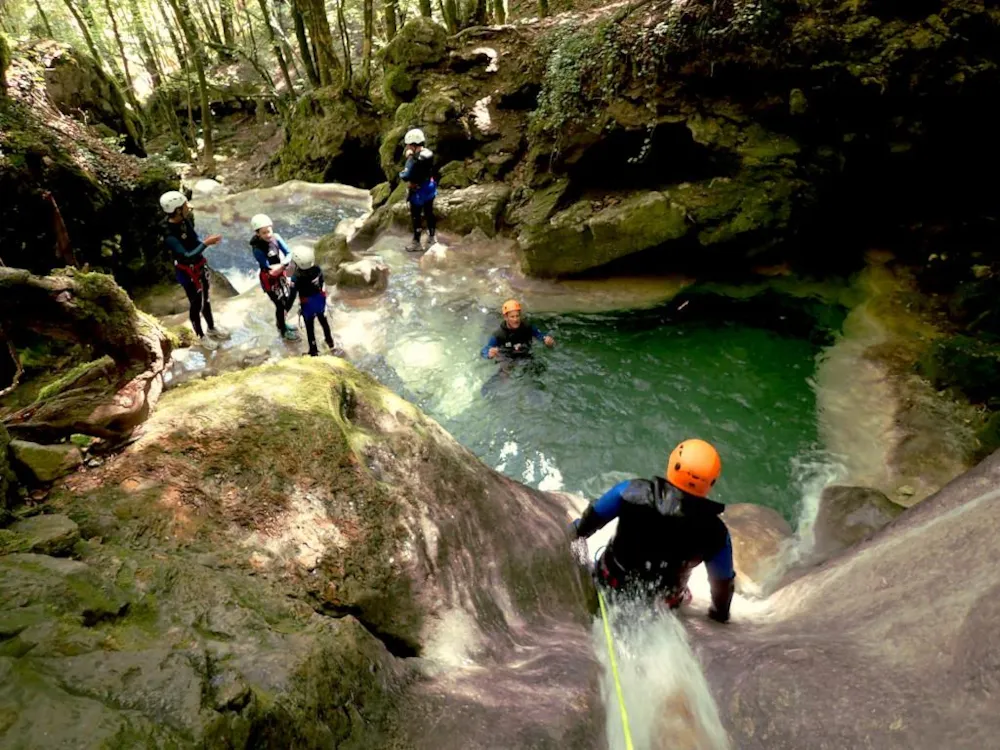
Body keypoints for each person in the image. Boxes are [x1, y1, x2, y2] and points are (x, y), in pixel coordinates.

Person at [568, 439, 736, 623]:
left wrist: (574, 529)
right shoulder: (716, 531)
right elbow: (722, 582)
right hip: (663, 603)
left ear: (672, 465)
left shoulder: (630, 491)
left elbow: (585, 525)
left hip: (609, 583)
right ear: (711, 482)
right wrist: (719, 614)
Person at [161, 190, 228, 346]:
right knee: (196, 303)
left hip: (199, 267)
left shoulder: (185, 222)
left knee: (206, 299)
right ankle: (201, 335)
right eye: (184, 205)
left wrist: (203, 242)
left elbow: (194, 239)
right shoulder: (169, 235)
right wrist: (206, 244)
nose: (188, 207)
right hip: (187, 272)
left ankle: (211, 328)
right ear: (177, 210)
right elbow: (186, 256)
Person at [249, 213, 298, 341]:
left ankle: (282, 323)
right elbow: (268, 268)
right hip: (269, 278)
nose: (268, 235)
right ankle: (282, 330)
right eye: (264, 233)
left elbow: (288, 252)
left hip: (280, 271)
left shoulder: (276, 238)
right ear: (257, 234)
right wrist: (283, 266)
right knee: (280, 304)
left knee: (286, 299)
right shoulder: (257, 249)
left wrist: (283, 265)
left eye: (269, 231)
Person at [285, 245, 336, 357]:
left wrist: (286, 310)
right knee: (324, 321)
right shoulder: (317, 269)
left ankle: (313, 350)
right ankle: (330, 342)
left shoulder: (296, 278)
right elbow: (322, 282)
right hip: (319, 300)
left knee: (310, 327)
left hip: (307, 305)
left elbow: (292, 296)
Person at [399, 128, 437, 252]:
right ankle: (432, 237)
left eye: (409, 145)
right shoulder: (429, 153)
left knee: (416, 216)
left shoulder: (414, 159)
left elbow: (406, 176)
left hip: (418, 190)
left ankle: (416, 242)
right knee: (429, 212)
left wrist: (409, 158)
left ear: (413, 145)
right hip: (429, 187)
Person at [481, 299, 555, 360]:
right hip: (507, 358)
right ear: (505, 317)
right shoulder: (499, 335)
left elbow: (540, 335)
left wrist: (546, 339)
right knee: (504, 374)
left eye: (517, 316)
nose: (515, 319)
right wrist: (489, 354)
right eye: (512, 317)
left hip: (526, 354)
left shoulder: (527, 327)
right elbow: (484, 351)